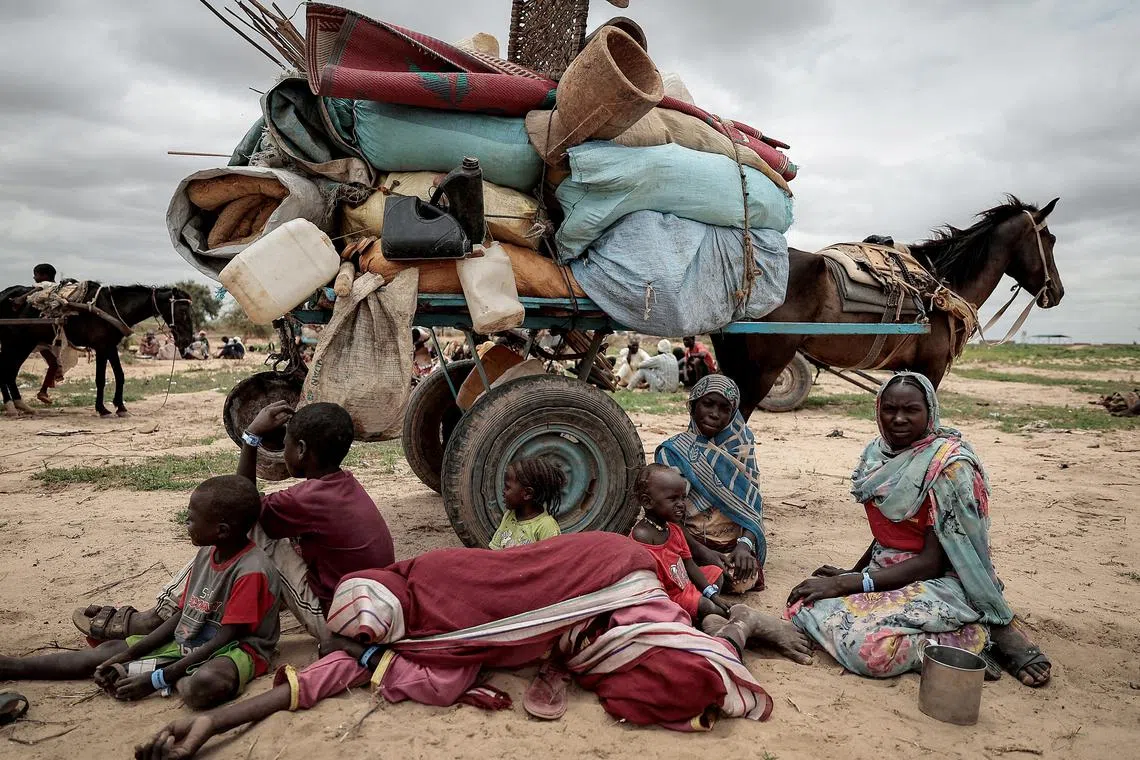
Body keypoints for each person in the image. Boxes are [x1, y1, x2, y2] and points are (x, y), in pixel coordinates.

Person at [134, 532, 820, 759]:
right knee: (679, 682)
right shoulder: (382, 640)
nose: (338, 649)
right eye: (347, 640)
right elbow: (307, 686)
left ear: (377, 617)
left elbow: (519, 583)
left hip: (608, 575)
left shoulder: (430, 582)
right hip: (592, 623)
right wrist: (208, 725)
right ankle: (728, 627)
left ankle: (735, 624)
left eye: (350, 636)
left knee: (673, 643)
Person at [785, 372, 1052, 686]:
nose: (898, 419)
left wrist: (849, 584)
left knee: (870, 650)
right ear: (878, 410)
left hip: (943, 580)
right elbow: (890, 530)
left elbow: (932, 561)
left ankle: (974, 640)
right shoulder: (878, 455)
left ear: (930, 413)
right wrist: (852, 573)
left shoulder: (949, 467)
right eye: (889, 409)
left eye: (911, 410)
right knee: (803, 606)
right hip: (887, 572)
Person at [75, 401, 394, 643]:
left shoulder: (309, 498)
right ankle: (214, 606)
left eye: (284, 445)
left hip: (336, 622)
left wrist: (251, 437)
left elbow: (240, 508)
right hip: (369, 611)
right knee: (271, 538)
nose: (282, 452)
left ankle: (160, 615)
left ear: (301, 449)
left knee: (242, 528)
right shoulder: (340, 485)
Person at [1, 476, 281, 710]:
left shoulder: (251, 571)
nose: (187, 524)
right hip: (191, 641)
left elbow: (225, 638)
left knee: (204, 685)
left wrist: (157, 679)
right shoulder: (207, 554)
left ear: (221, 530)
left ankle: (158, 675)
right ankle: (14, 667)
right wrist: (126, 655)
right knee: (109, 651)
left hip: (236, 650)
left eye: (191, 519)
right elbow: (183, 616)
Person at [656, 375, 767, 594]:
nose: (714, 414)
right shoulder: (674, 451)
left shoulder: (741, 448)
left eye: (724, 408)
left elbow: (752, 507)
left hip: (731, 545)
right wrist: (701, 551)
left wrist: (745, 545)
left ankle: (700, 579)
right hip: (688, 541)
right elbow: (666, 515)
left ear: (733, 414)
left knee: (739, 579)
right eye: (707, 404)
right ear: (693, 405)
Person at [630, 464, 732, 622]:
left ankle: (700, 607)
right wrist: (707, 597)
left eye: (682, 498)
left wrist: (710, 593)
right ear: (647, 502)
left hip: (683, 583)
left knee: (715, 571)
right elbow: (648, 583)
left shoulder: (674, 530)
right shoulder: (642, 537)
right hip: (668, 595)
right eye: (672, 499)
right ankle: (704, 611)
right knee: (708, 606)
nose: (681, 504)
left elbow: (689, 564)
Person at [490, 457, 564, 549]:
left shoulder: (546, 526)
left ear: (528, 493)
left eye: (507, 488)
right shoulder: (509, 515)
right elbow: (494, 551)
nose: (503, 491)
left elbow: (550, 560)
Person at [31, 264, 64, 405]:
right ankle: (43, 391)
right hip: (49, 336)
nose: (34, 277)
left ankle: (43, 391)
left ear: (44, 275)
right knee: (53, 364)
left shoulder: (45, 284)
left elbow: (32, 294)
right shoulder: (58, 288)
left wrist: (20, 298)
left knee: (54, 364)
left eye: (36, 274)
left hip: (39, 333)